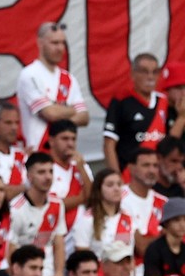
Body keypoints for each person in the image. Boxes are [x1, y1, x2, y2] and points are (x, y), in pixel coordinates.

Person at [17, 22, 89, 151]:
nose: (60, 48)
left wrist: (58, 112)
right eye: (55, 43)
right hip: (38, 151)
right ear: (40, 43)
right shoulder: (29, 74)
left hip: (64, 154)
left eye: (62, 43)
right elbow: (50, 113)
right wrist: (71, 110)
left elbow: (84, 117)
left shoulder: (69, 78)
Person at [105, 54, 170, 172]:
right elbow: (109, 144)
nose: (150, 77)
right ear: (133, 74)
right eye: (144, 72)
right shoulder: (121, 101)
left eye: (155, 72)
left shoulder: (164, 101)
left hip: (158, 175)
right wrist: (117, 177)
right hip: (129, 176)